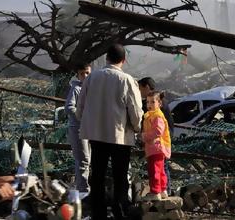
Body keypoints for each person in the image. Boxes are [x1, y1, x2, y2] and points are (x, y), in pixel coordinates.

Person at [76, 44, 143, 220]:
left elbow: (80, 107)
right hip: (119, 136)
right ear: (123, 60)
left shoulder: (92, 78)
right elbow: (135, 111)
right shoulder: (126, 80)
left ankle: (98, 214)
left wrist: (87, 122)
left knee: (97, 174)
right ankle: (119, 211)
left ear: (106, 58)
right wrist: (137, 128)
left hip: (96, 135)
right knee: (120, 176)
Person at [138, 77, 174, 195]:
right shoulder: (152, 112)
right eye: (148, 102)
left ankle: (156, 191)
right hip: (157, 145)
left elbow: (158, 130)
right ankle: (164, 190)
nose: (149, 104)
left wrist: (144, 137)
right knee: (161, 168)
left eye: (152, 102)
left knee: (156, 170)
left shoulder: (157, 113)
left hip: (157, 145)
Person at [65, 64, 91, 194]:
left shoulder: (92, 88)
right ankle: (83, 191)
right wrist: (83, 116)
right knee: (83, 160)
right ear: (77, 75)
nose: (85, 76)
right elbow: (69, 108)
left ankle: (84, 188)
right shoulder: (76, 89)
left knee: (88, 160)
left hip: (90, 129)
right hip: (78, 129)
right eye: (82, 74)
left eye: (87, 73)